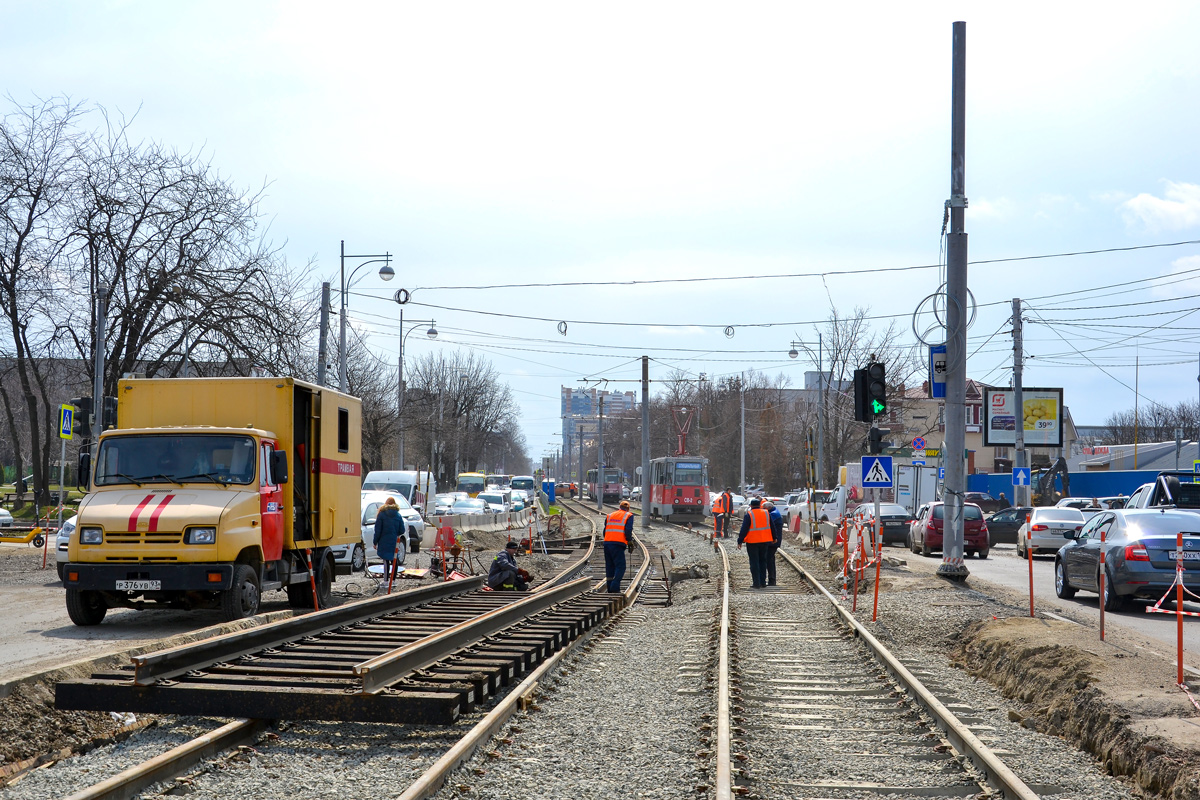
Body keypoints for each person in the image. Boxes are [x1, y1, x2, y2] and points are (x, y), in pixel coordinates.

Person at [737, 497, 774, 589]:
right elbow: (772, 526)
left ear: (751, 506)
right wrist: (775, 537)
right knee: (763, 561)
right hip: (765, 541)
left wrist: (740, 541)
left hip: (752, 542)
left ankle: (756, 583)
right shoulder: (766, 513)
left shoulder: (749, 514)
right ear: (759, 505)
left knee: (754, 562)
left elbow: (744, 529)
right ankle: (763, 582)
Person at [603, 500, 636, 593]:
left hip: (607, 543)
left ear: (619, 507)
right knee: (621, 566)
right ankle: (614, 586)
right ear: (628, 508)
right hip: (618, 544)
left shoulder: (610, 515)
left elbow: (605, 531)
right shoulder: (629, 515)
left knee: (610, 566)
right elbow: (628, 530)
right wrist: (629, 541)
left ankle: (610, 588)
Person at [373, 496, 404, 581]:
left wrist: (375, 542)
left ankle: (386, 581)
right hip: (394, 541)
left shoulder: (381, 514)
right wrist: (395, 533)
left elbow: (377, 530)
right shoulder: (398, 515)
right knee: (394, 560)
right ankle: (393, 581)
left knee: (386, 560)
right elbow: (402, 530)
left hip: (383, 540)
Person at [762, 501, 785, 586]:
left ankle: (772, 580)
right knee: (770, 560)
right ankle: (772, 580)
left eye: (764, 509)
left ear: (768, 508)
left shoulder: (773, 514)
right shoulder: (774, 512)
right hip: (773, 541)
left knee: (769, 560)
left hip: (773, 541)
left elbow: (766, 523)